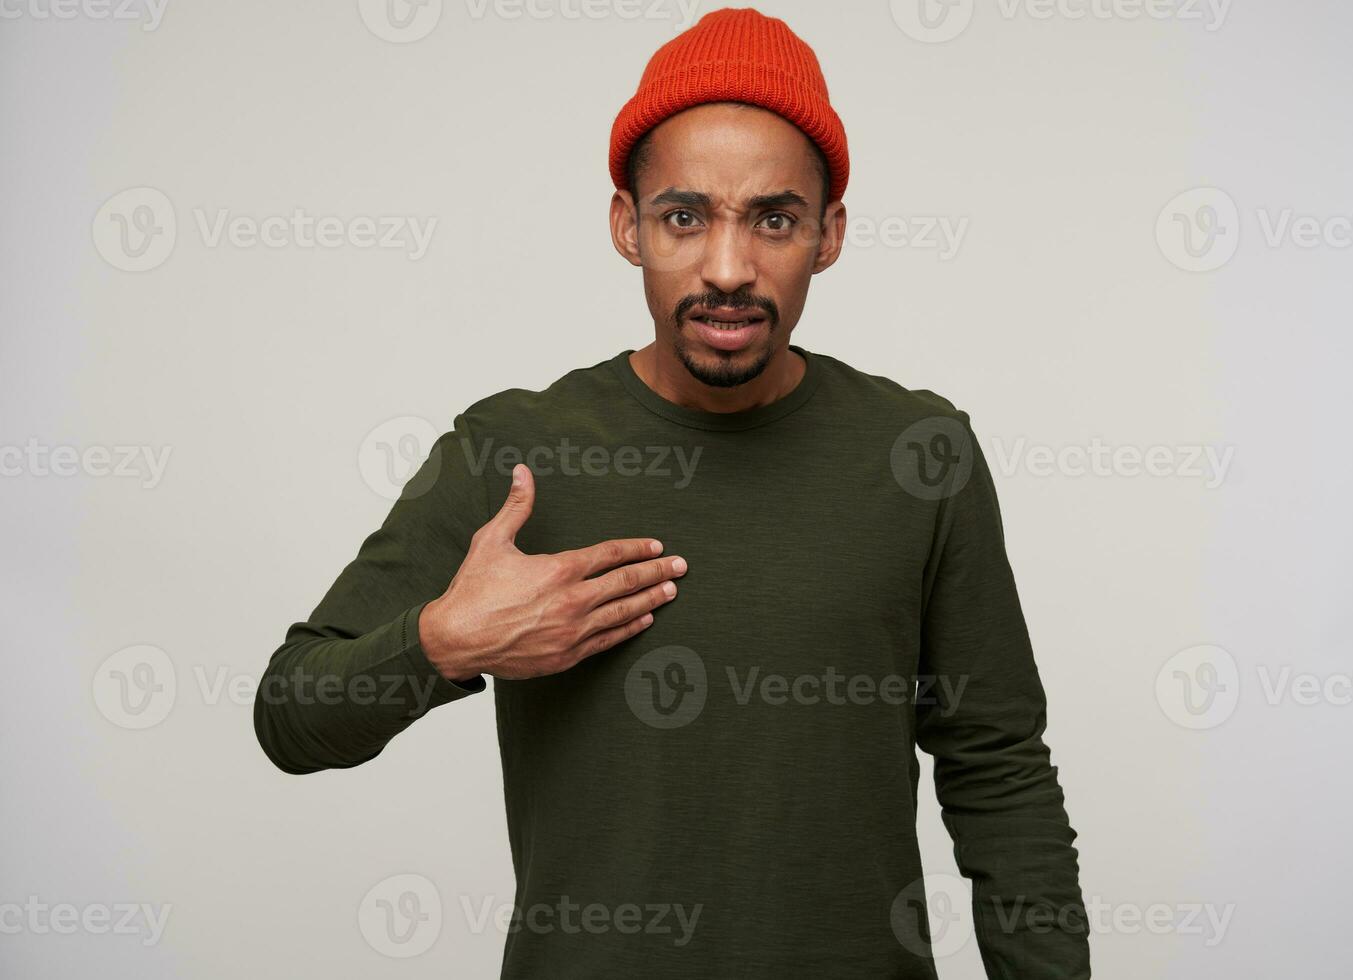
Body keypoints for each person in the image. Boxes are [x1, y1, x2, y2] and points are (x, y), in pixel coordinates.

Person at [253, 7, 1089, 977]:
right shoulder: (514, 449)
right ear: (626, 223)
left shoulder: (918, 452)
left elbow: (1000, 769)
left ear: (829, 233)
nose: (726, 269)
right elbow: (290, 714)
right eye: (683, 216)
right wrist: (444, 641)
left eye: (773, 217)